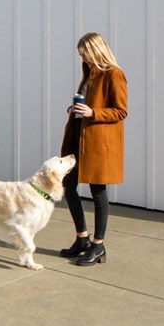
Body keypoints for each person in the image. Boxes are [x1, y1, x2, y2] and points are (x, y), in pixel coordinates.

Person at [59, 32, 128, 265]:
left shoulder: (114, 74)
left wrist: (92, 112)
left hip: (98, 143)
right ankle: (82, 239)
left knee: (98, 192)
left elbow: (120, 111)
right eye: (81, 55)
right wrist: (75, 110)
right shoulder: (89, 75)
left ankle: (98, 245)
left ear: (96, 51)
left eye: (85, 54)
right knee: (68, 186)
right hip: (79, 138)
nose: (83, 59)